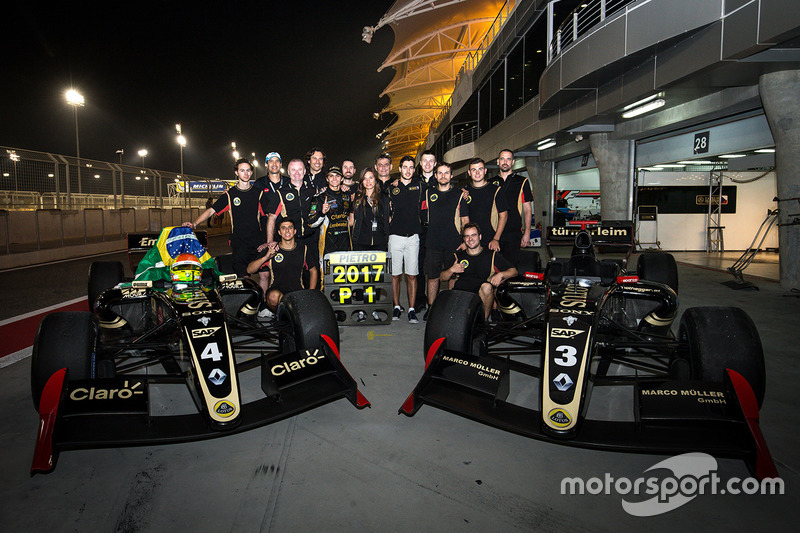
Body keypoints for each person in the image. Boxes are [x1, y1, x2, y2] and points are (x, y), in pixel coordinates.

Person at [184, 158, 270, 284]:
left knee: (265, 275)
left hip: (258, 242)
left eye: (248, 170)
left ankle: (263, 303)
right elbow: (211, 211)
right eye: (242, 170)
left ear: (251, 173)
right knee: (244, 278)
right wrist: (194, 223)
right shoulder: (230, 194)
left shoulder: (259, 193)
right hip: (239, 243)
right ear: (236, 173)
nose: (245, 173)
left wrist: (269, 239)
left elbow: (270, 216)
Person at [265, 159, 325, 289]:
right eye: (293, 169)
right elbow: (271, 218)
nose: (296, 173)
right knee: (293, 278)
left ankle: (311, 301)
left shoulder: (313, 191)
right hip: (291, 242)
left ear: (304, 171)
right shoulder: (281, 192)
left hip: (311, 240)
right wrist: (270, 241)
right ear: (288, 172)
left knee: (314, 276)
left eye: (299, 169)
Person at [420, 162, 469, 319]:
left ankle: (450, 307)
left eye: (446, 173)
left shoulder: (459, 195)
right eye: (440, 173)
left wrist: (465, 241)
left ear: (451, 175)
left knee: (453, 276)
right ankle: (432, 307)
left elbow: (465, 221)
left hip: (453, 243)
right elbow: (421, 214)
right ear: (435, 176)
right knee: (433, 276)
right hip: (433, 243)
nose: (443, 176)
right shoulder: (428, 193)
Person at [440, 222, 517, 320]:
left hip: (481, 295)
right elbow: (442, 278)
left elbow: (514, 271)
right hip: (461, 295)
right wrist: (451, 270)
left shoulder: (492, 255)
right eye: (467, 236)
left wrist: (501, 274)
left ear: (480, 237)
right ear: (463, 239)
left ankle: (482, 323)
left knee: (487, 287)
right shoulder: (458, 256)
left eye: (473, 235)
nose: (470, 239)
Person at [247, 219, 318, 316]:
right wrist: (266, 257)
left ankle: (290, 316)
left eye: (290, 228)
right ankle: (277, 316)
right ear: (279, 232)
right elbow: (250, 270)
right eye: (283, 228)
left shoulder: (303, 249)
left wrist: (310, 293)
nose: (287, 231)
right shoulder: (272, 250)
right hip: (277, 292)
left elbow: (313, 271)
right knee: (273, 297)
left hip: (297, 292)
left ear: (294, 231)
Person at [387, 155, 424, 323]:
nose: (408, 170)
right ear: (400, 169)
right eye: (405, 167)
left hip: (413, 237)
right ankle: (396, 307)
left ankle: (411, 309)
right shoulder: (391, 187)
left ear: (414, 170)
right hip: (395, 236)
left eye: (411, 167)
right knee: (395, 275)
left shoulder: (420, 185)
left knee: (411, 275)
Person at [490, 149, 533, 267]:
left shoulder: (522, 182)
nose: (505, 162)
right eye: (502, 159)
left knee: (510, 268)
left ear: (513, 162)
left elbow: (527, 209)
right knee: (494, 268)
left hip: (513, 233)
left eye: (508, 159)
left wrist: (527, 232)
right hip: (493, 233)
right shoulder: (490, 183)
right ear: (498, 162)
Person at [465, 157, 508, 251]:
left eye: (480, 169)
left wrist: (496, 239)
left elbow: (503, 216)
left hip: (491, 241)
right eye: (474, 170)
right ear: (469, 173)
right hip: (472, 242)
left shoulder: (496, 190)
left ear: (485, 171)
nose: (477, 173)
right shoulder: (465, 192)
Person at [414, 149, 437, 312]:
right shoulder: (414, 182)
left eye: (431, 161)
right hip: (419, 230)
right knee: (419, 267)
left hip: (438, 230)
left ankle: (436, 303)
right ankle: (420, 300)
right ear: (420, 163)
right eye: (425, 161)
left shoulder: (442, 180)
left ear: (435, 164)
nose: (428, 164)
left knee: (436, 267)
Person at [350, 167, 389, 251]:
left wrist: (386, 239)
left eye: (370, 178)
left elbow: (386, 219)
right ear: (362, 182)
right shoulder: (357, 198)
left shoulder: (384, 198)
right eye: (365, 179)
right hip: (361, 243)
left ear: (375, 179)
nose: (368, 181)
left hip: (380, 242)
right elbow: (353, 221)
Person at [319, 166, 353, 256]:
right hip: (328, 244)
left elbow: (351, 220)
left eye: (337, 176)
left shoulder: (347, 194)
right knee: (328, 270)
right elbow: (311, 223)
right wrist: (322, 213)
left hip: (345, 243)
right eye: (331, 176)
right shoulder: (321, 196)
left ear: (342, 178)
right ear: (327, 179)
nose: (334, 178)